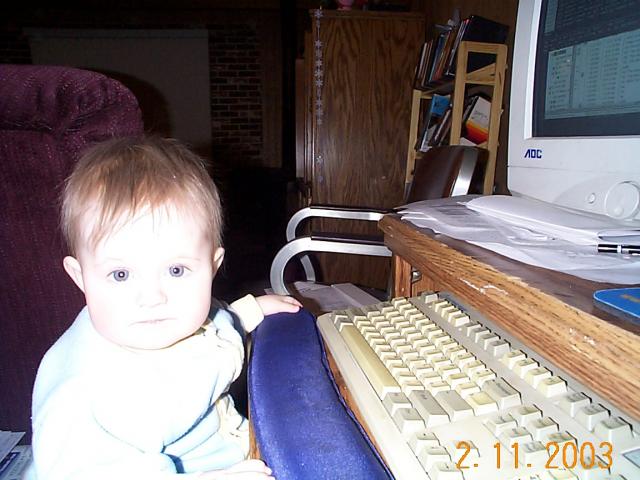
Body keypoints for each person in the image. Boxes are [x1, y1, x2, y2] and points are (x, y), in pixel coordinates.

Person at [26, 136, 302, 479]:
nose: (152, 297)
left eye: (176, 270)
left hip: (230, 449)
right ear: (80, 277)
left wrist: (250, 311)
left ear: (212, 267)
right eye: (121, 274)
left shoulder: (179, 318)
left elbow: (215, 322)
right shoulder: (82, 391)